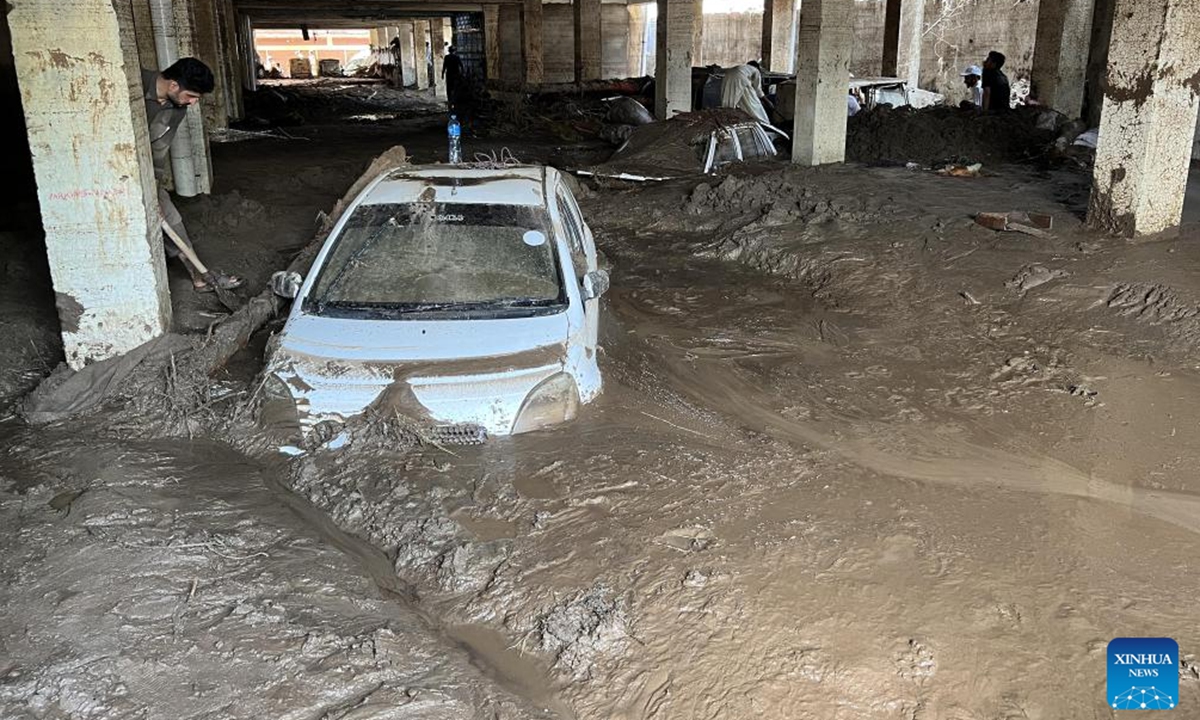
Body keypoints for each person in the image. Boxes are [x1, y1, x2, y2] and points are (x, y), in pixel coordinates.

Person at [142, 58, 242, 292]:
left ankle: (199, 277)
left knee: (169, 217)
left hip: (142, 170)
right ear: (174, 85)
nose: (194, 103)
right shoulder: (130, 83)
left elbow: (159, 149)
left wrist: (152, 191)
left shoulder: (177, 109)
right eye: (191, 96)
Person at [442, 46, 464, 110]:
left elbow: (444, 66)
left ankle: (450, 101)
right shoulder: (457, 57)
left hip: (449, 75)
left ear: (449, 51)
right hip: (456, 75)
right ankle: (455, 102)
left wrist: (442, 74)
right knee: (456, 89)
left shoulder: (447, 57)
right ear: (455, 51)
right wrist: (462, 73)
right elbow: (461, 66)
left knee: (449, 89)